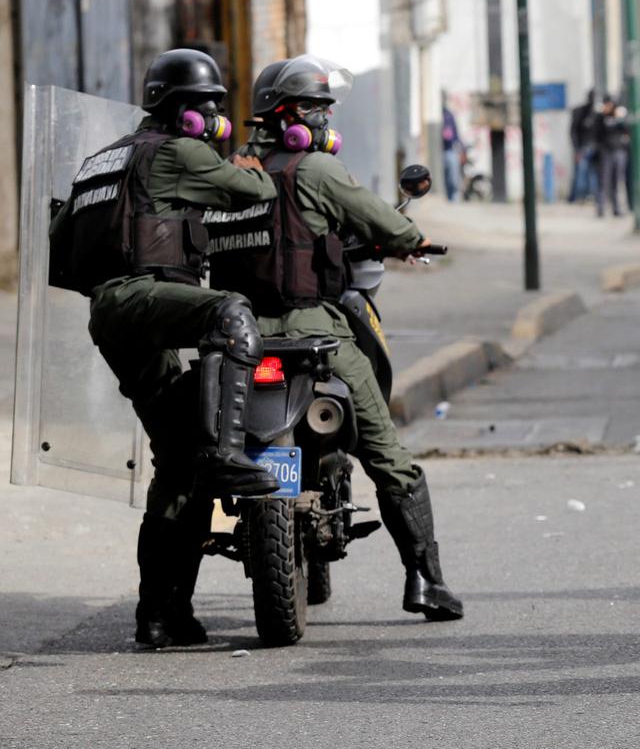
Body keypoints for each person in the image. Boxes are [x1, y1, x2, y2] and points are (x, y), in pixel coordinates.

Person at [208, 55, 464, 621]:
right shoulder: (316, 170)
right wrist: (413, 240)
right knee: (386, 452)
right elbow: (387, 224)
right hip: (310, 332)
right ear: (293, 116)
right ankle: (425, 580)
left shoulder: (228, 172)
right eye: (319, 108)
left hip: (235, 336)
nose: (325, 119)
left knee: (185, 460)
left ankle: (165, 602)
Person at [47, 48, 283, 647]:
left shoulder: (102, 160)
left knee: (178, 464)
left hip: (110, 314)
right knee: (232, 314)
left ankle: (160, 615)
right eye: (209, 110)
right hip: (147, 299)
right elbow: (251, 190)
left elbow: (60, 244)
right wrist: (249, 157)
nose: (212, 119)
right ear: (186, 113)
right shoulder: (179, 150)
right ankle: (230, 452)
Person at [591, 95, 630, 218]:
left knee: (616, 182)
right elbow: (595, 133)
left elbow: (627, 130)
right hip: (605, 152)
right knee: (603, 181)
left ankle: (616, 208)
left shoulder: (618, 116)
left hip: (618, 151)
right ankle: (601, 208)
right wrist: (602, 115)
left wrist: (620, 118)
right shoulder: (600, 117)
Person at [569, 90, 597, 203]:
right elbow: (573, 131)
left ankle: (591, 195)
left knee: (593, 174)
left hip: (594, 148)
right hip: (582, 148)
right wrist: (576, 149)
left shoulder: (596, 113)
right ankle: (579, 196)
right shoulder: (580, 112)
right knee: (581, 173)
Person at [440, 96, 462, 202]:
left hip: (450, 150)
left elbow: (456, 133)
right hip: (440, 150)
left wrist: (460, 147)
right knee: (445, 177)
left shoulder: (449, 115)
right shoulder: (438, 115)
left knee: (453, 176)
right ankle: (448, 197)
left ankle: (454, 197)